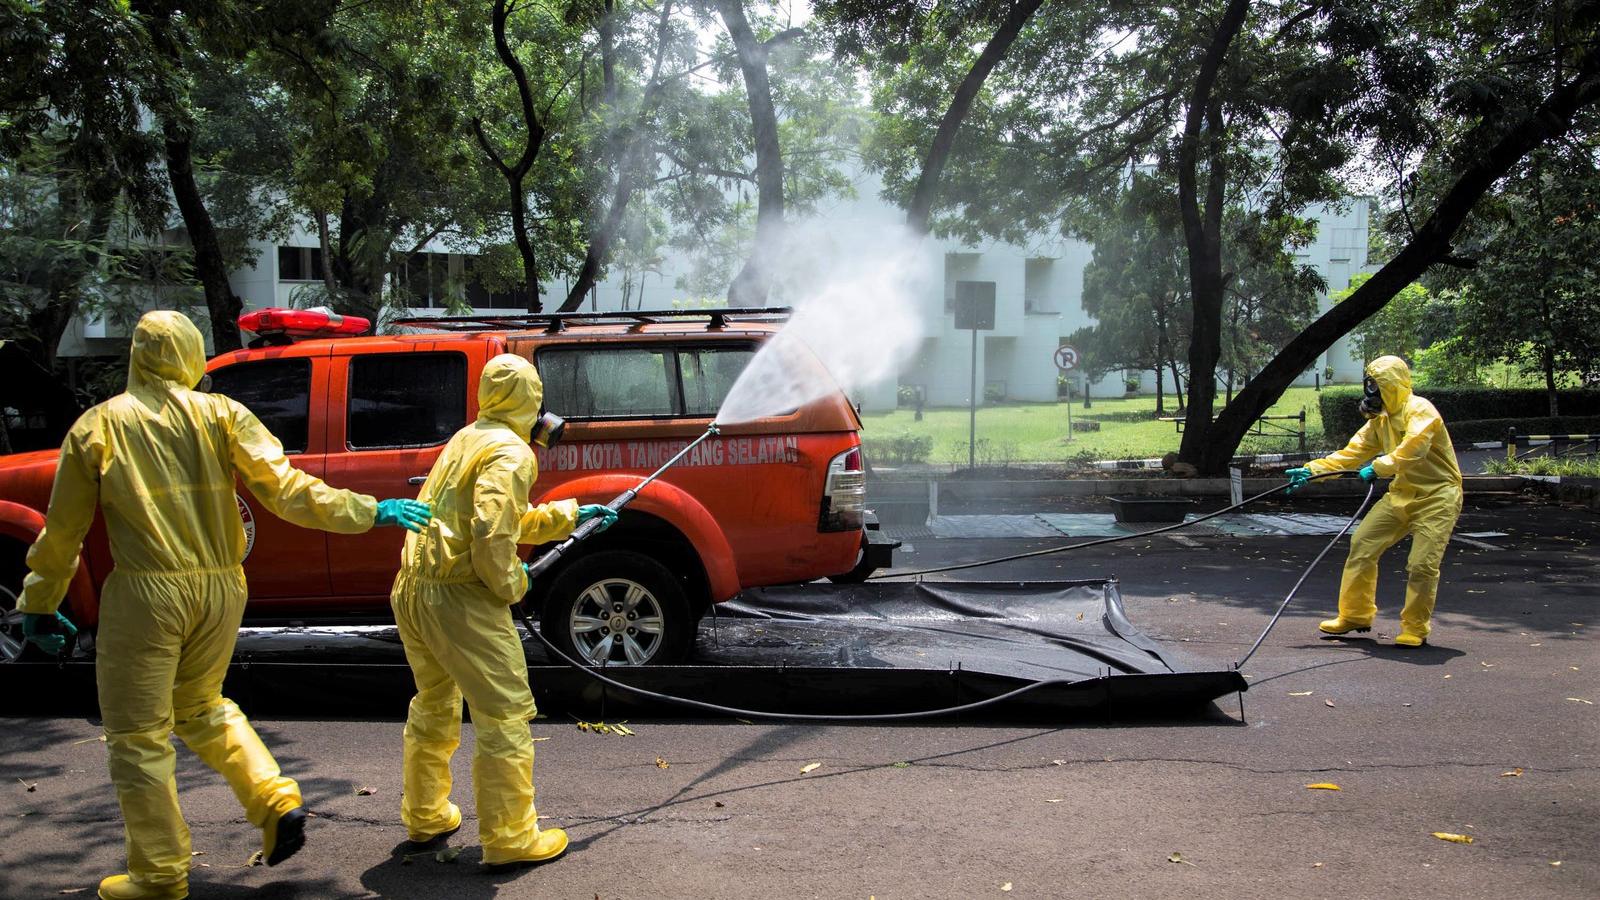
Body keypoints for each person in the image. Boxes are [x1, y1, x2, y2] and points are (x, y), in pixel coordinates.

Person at [16, 311, 432, 900]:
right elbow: (289, 491)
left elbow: (63, 533)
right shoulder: (224, 414)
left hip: (146, 591)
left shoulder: (99, 426)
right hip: (222, 589)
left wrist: (40, 600)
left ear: (135, 356)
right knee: (202, 706)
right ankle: (272, 797)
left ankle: (159, 874)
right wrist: (371, 511)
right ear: (191, 355)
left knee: (139, 735)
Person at [390, 353, 615, 867]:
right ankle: (511, 837)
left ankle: (425, 815)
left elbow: (497, 518)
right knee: (505, 714)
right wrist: (514, 582)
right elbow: (492, 535)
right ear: (532, 399)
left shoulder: (469, 436)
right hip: (460, 599)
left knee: (434, 702)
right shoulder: (513, 453)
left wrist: (571, 516)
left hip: (415, 587)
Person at [1285, 355, 1463, 647]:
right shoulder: (1380, 421)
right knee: (1362, 544)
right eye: (1369, 387)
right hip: (1402, 493)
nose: (1371, 395)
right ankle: (1355, 615)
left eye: (1376, 387)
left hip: (1438, 496)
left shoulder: (1421, 410)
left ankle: (1415, 629)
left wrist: (1379, 467)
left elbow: (1414, 448)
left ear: (1390, 385)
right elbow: (1351, 453)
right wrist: (1313, 470)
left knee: (1421, 565)